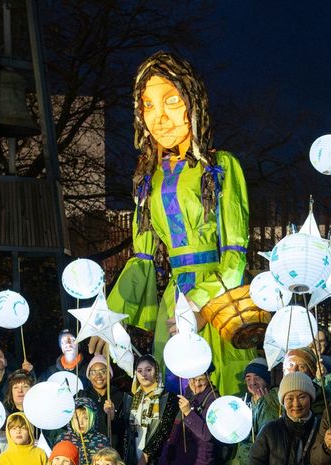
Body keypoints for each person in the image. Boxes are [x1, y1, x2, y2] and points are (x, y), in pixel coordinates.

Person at [96, 52, 254, 396]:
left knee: (218, 387)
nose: (160, 118)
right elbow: (142, 258)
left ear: (192, 103)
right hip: (175, 299)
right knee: (172, 393)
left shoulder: (220, 167)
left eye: (170, 101)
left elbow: (234, 252)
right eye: (148, 106)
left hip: (216, 301)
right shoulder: (147, 180)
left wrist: (199, 307)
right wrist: (108, 319)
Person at [121, 354, 176, 465]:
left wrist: (146, 456)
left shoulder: (167, 397)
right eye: (139, 371)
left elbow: (164, 429)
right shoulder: (132, 397)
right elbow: (123, 428)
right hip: (133, 449)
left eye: (148, 370)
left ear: (156, 371)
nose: (143, 374)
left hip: (155, 456)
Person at [78, 355, 126, 450]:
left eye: (103, 371)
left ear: (109, 374)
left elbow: (124, 429)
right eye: (93, 372)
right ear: (89, 376)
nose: (98, 376)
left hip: (112, 452)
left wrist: (112, 418)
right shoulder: (82, 396)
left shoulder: (121, 396)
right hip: (87, 451)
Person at [55, 397, 109, 465]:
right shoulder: (63, 439)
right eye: (77, 418)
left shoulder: (102, 440)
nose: (81, 423)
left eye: (86, 418)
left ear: (93, 418)